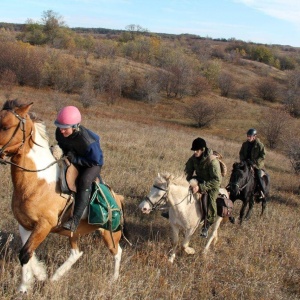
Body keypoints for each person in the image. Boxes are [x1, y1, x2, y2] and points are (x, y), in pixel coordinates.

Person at [54, 106, 104, 232]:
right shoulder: (59, 133)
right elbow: (62, 145)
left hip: (92, 164)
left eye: (65, 128)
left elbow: (96, 160)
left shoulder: (88, 141)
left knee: (84, 181)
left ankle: (74, 220)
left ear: (75, 126)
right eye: (59, 126)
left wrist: (75, 159)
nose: (61, 131)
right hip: (73, 157)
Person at [184, 137, 222, 238]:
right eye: (194, 150)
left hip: (212, 184)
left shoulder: (212, 161)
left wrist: (200, 187)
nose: (195, 152)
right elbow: (188, 172)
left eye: (197, 150)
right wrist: (185, 183)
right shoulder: (193, 158)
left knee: (210, 201)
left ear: (203, 149)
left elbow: (217, 180)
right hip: (199, 179)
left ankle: (206, 224)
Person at [239, 128, 266, 198]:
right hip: (245, 162)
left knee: (258, 176)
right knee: (237, 172)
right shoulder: (245, 144)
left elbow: (262, 156)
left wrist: (255, 163)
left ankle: (262, 192)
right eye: (247, 136)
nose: (248, 138)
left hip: (256, 164)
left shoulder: (260, 145)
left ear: (254, 136)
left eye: (250, 136)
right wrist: (242, 160)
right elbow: (241, 153)